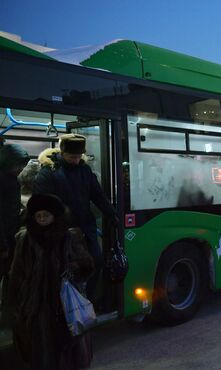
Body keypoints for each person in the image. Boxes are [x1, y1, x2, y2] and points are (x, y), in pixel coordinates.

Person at [9, 194, 94, 370]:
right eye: (38, 216)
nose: (41, 220)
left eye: (45, 216)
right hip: (36, 306)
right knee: (41, 351)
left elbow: (87, 265)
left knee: (67, 348)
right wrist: (17, 303)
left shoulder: (69, 237)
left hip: (64, 305)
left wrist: (72, 269)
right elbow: (16, 273)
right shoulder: (24, 239)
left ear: (55, 215)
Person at [33, 134, 116, 301]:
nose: (76, 160)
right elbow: (42, 201)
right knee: (64, 268)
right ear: (62, 153)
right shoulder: (48, 172)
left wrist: (111, 213)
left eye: (79, 157)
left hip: (85, 226)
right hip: (60, 230)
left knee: (95, 261)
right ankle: (63, 305)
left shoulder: (85, 170)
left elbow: (97, 194)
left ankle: (86, 300)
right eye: (72, 157)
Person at [0, 142, 29, 327]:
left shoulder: (10, 180)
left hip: (8, 237)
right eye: (18, 165)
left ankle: (7, 317)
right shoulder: (4, 182)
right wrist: (2, 244)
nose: (21, 169)